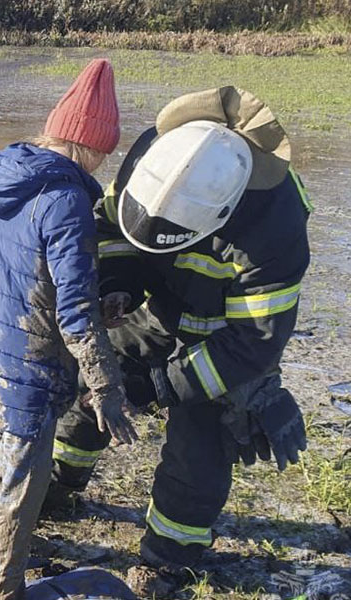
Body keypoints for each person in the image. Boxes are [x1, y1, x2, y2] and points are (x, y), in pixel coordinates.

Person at [48, 87, 311, 583]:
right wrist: (118, 286)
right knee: (92, 387)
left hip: (225, 338)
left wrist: (160, 386)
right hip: (161, 310)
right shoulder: (156, 154)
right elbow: (110, 226)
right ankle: (57, 485)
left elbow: (255, 341)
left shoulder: (276, 226)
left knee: (199, 449)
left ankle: (171, 556)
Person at [0, 58, 138, 600]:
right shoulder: (67, 200)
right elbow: (72, 314)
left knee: (7, 452)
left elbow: (33, 277)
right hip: (33, 365)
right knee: (26, 479)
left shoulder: (14, 179)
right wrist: (106, 386)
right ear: (92, 145)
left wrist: (100, 299)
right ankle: (2, 587)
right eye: (104, 151)